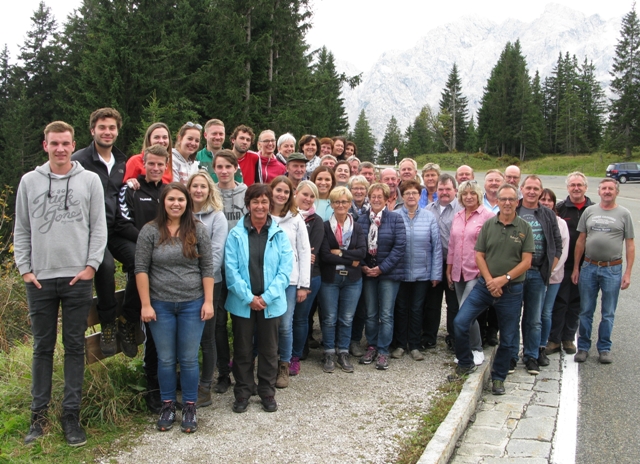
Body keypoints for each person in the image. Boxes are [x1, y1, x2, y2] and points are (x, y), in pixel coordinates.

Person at [15, 121, 107, 447]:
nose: (60, 149)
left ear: (73, 144)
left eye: (66, 143)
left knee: (74, 347)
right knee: (42, 348)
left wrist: (91, 266)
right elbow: (22, 228)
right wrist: (25, 269)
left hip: (77, 278)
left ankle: (71, 416)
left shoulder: (89, 181)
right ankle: (37, 417)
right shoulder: (29, 182)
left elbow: (99, 227)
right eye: (54, 143)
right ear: (45, 145)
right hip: (39, 279)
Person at [136, 182, 214, 433]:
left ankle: (190, 405)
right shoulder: (149, 231)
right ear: (163, 202)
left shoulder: (197, 230)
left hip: (193, 302)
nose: (176, 204)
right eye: (171, 199)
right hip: (160, 305)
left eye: (181, 199)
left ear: (187, 203)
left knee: (189, 358)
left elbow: (207, 268)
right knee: (166, 358)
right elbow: (141, 269)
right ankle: (167, 404)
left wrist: (209, 301)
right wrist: (146, 304)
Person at [452, 183, 534, 396]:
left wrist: (503, 280)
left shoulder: (524, 228)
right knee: (460, 322)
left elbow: (526, 262)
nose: (507, 203)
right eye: (503, 199)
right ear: (497, 201)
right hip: (484, 286)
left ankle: (499, 377)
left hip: (512, 289)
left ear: (517, 202)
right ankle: (465, 363)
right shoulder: (489, 225)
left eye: (511, 199)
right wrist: (490, 281)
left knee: (507, 337)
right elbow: (479, 254)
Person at [224, 184, 293, 413]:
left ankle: (266, 391)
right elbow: (231, 270)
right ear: (248, 204)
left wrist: (265, 298)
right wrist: (249, 297)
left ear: (269, 205)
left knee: (269, 350)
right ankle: (243, 391)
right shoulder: (235, 233)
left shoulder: (279, 234)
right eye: (255, 202)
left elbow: (285, 271)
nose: (260, 206)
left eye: (264, 202)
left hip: (270, 304)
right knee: (243, 350)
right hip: (243, 303)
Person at [112, 144, 170, 413]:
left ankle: (169, 384)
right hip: (138, 248)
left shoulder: (169, 192)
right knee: (139, 264)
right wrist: (150, 243)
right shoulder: (131, 188)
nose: (156, 168)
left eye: (161, 164)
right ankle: (127, 318)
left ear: (166, 166)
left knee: (166, 331)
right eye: (152, 164)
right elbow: (122, 222)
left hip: (166, 263)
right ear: (143, 163)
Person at [71, 108, 124, 356]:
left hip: (117, 229)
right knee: (105, 266)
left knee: (141, 259)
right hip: (91, 231)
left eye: (112, 128)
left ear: (117, 131)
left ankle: (130, 319)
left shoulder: (123, 161)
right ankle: (109, 324)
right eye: (102, 127)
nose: (107, 132)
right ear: (93, 130)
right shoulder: (79, 160)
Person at [572, 178, 635, 364]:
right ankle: (583, 347)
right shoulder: (589, 212)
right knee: (585, 310)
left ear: (617, 192)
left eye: (611, 189)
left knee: (608, 312)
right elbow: (581, 241)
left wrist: (628, 273)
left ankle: (604, 348)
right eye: (604, 188)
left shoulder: (624, 214)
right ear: (598, 192)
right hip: (589, 267)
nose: (607, 191)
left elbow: (630, 245)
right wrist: (576, 267)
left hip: (612, 269)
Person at [515, 175, 562, 375]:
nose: (532, 192)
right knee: (512, 316)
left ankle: (531, 355)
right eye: (529, 188)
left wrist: (550, 268)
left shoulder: (547, 214)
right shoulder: (513, 209)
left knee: (534, 319)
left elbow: (557, 244)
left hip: (537, 273)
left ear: (540, 191)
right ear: (522, 189)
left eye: (536, 189)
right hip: (515, 273)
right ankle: (510, 355)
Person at [187, 171, 228, 408]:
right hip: (183, 284)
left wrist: (199, 275)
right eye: (195, 186)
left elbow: (215, 253)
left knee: (207, 336)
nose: (199, 190)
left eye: (203, 186)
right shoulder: (181, 213)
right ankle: (188, 381)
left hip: (211, 281)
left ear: (209, 190)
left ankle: (205, 386)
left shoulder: (217, 217)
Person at [357, 183, 406, 370]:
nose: (376, 200)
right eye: (373, 196)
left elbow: (399, 247)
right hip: (367, 273)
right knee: (370, 313)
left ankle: (384, 350)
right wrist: (363, 266)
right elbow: (356, 246)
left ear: (387, 199)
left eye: (380, 196)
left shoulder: (395, 219)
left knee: (386, 314)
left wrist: (382, 268)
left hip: (388, 274)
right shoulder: (361, 220)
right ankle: (371, 345)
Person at [211, 149, 248, 394]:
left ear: (236, 168)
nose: (224, 171)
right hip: (215, 270)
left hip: (241, 268)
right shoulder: (208, 193)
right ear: (214, 169)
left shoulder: (246, 193)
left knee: (242, 322)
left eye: (228, 166)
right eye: (219, 167)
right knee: (217, 324)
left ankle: (243, 370)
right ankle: (223, 372)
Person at [318, 186, 367, 373]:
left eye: (345, 201)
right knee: (330, 318)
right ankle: (329, 351)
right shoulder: (324, 226)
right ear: (331, 204)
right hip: (330, 278)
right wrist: (349, 258)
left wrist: (339, 252)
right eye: (337, 201)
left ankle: (343, 351)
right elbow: (324, 255)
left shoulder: (357, 226)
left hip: (353, 280)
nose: (341, 205)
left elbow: (362, 253)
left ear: (350, 204)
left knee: (347, 318)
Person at [446, 180, 494, 365]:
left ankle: (476, 349)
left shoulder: (487, 216)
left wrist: (487, 270)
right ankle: (465, 350)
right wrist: (449, 269)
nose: (468, 197)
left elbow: (491, 246)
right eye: (465, 194)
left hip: (476, 272)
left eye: (472, 193)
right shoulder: (457, 216)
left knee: (467, 313)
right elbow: (452, 245)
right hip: (458, 272)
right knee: (462, 311)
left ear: (478, 195)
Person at [269, 176, 311, 388]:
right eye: (278, 190)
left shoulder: (296, 218)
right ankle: (265, 363)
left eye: (286, 191)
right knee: (265, 325)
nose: (282, 195)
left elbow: (304, 251)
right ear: (271, 190)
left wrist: (303, 284)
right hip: (266, 280)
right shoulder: (262, 215)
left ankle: (284, 364)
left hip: (290, 281)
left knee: (285, 325)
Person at [393, 180, 441, 361]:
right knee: (401, 308)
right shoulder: (395, 216)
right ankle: (399, 344)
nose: (411, 196)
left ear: (419, 195)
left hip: (422, 273)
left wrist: (436, 273)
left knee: (417, 308)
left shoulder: (429, 217)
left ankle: (414, 345)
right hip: (401, 272)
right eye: (407, 193)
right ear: (402, 196)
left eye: (414, 193)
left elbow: (436, 248)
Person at [547, 172, 594, 355]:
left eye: (579, 185)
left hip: (585, 265)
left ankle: (568, 337)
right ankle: (554, 339)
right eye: (573, 185)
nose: (576, 188)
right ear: (567, 188)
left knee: (576, 303)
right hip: (563, 265)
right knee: (559, 302)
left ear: (585, 187)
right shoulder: (560, 209)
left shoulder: (592, 210)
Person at [424, 174, 463, 351]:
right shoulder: (428, 209)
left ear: (455, 190)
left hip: (454, 262)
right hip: (433, 262)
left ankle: (454, 337)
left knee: (453, 303)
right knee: (432, 302)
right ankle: (429, 336)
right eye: (441, 189)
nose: (444, 192)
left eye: (448, 189)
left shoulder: (461, 210)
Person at [290, 181, 325, 376]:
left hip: (311, 276)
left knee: (300, 318)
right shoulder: (286, 216)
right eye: (305, 194)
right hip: (286, 276)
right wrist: (299, 252)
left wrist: (300, 252)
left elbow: (312, 253)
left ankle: (296, 354)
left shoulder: (316, 221)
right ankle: (283, 352)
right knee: (284, 319)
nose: (308, 199)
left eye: (312, 196)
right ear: (296, 193)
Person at [538, 189, 569, 362]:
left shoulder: (561, 223)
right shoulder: (534, 219)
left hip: (553, 277)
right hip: (535, 276)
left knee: (546, 312)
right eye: (543, 199)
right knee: (533, 313)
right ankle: (531, 345)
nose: (546, 203)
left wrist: (550, 271)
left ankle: (543, 344)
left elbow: (562, 251)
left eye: (550, 200)